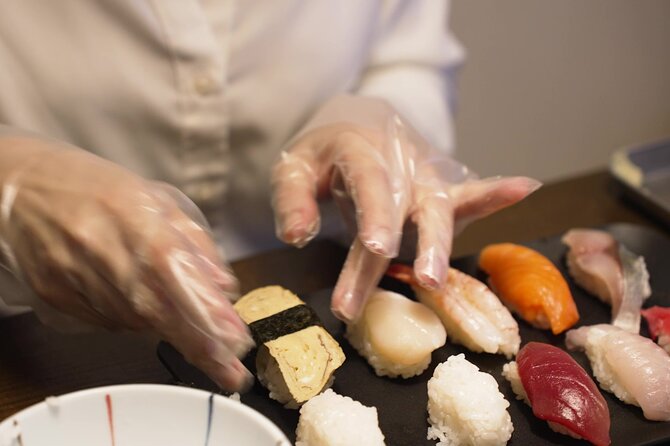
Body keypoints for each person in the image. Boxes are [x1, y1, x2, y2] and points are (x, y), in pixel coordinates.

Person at [0, 1, 539, 391]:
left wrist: (387, 118)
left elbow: (407, 53)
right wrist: (13, 178)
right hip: (44, 343)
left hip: (312, 277)